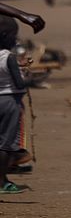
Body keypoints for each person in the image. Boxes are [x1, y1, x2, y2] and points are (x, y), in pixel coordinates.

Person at [0, 16, 31, 194]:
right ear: (5, 36)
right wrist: (28, 75)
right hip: (10, 102)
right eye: (14, 35)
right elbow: (20, 83)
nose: (15, 39)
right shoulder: (9, 57)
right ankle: (2, 181)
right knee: (6, 143)